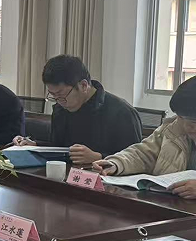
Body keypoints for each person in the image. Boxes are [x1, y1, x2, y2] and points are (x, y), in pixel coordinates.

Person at [13, 55, 142, 164]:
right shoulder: (60, 109)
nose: (59, 101)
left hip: (105, 181)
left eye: (62, 95)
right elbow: (60, 148)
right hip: (65, 177)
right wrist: (35, 146)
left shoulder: (122, 112)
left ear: (83, 85)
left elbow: (135, 160)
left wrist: (99, 157)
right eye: (53, 96)